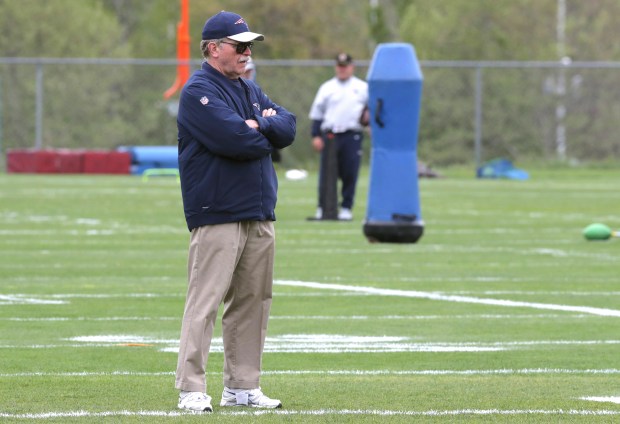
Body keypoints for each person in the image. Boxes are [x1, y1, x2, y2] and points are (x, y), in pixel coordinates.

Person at [174, 10, 296, 412]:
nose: (246, 53)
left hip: (258, 210)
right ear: (213, 49)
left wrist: (257, 124)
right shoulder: (198, 91)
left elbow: (289, 128)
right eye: (238, 45)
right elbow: (235, 141)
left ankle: (242, 386)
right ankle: (191, 387)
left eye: (249, 46)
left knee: (253, 301)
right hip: (218, 210)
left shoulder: (248, 88)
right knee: (205, 301)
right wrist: (264, 127)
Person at [309, 52, 368, 221]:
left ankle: (346, 207)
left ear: (352, 67)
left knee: (350, 172)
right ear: (336, 67)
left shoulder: (362, 88)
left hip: (352, 135)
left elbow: (370, 111)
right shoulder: (327, 87)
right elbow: (317, 113)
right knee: (327, 173)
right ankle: (323, 207)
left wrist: (370, 124)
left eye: (345, 66)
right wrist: (315, 135)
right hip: (331, 135)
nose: (342, 69)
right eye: (340, 66)